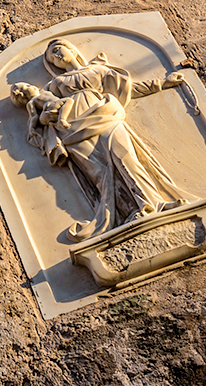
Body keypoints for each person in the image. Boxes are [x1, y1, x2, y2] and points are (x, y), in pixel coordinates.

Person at [12, 38, 193, 240]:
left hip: (105, 114)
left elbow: (129, 89)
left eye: (57, 49)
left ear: (71, 48)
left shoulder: (98, 70)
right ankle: (128, 213)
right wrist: (46, 119)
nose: (56, 56)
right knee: (100, 174)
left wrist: (162, 83)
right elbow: (45, 112)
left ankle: (155, 203)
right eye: (52, 58)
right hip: (73, 131)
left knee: (125, 157)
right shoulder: (55, 84)